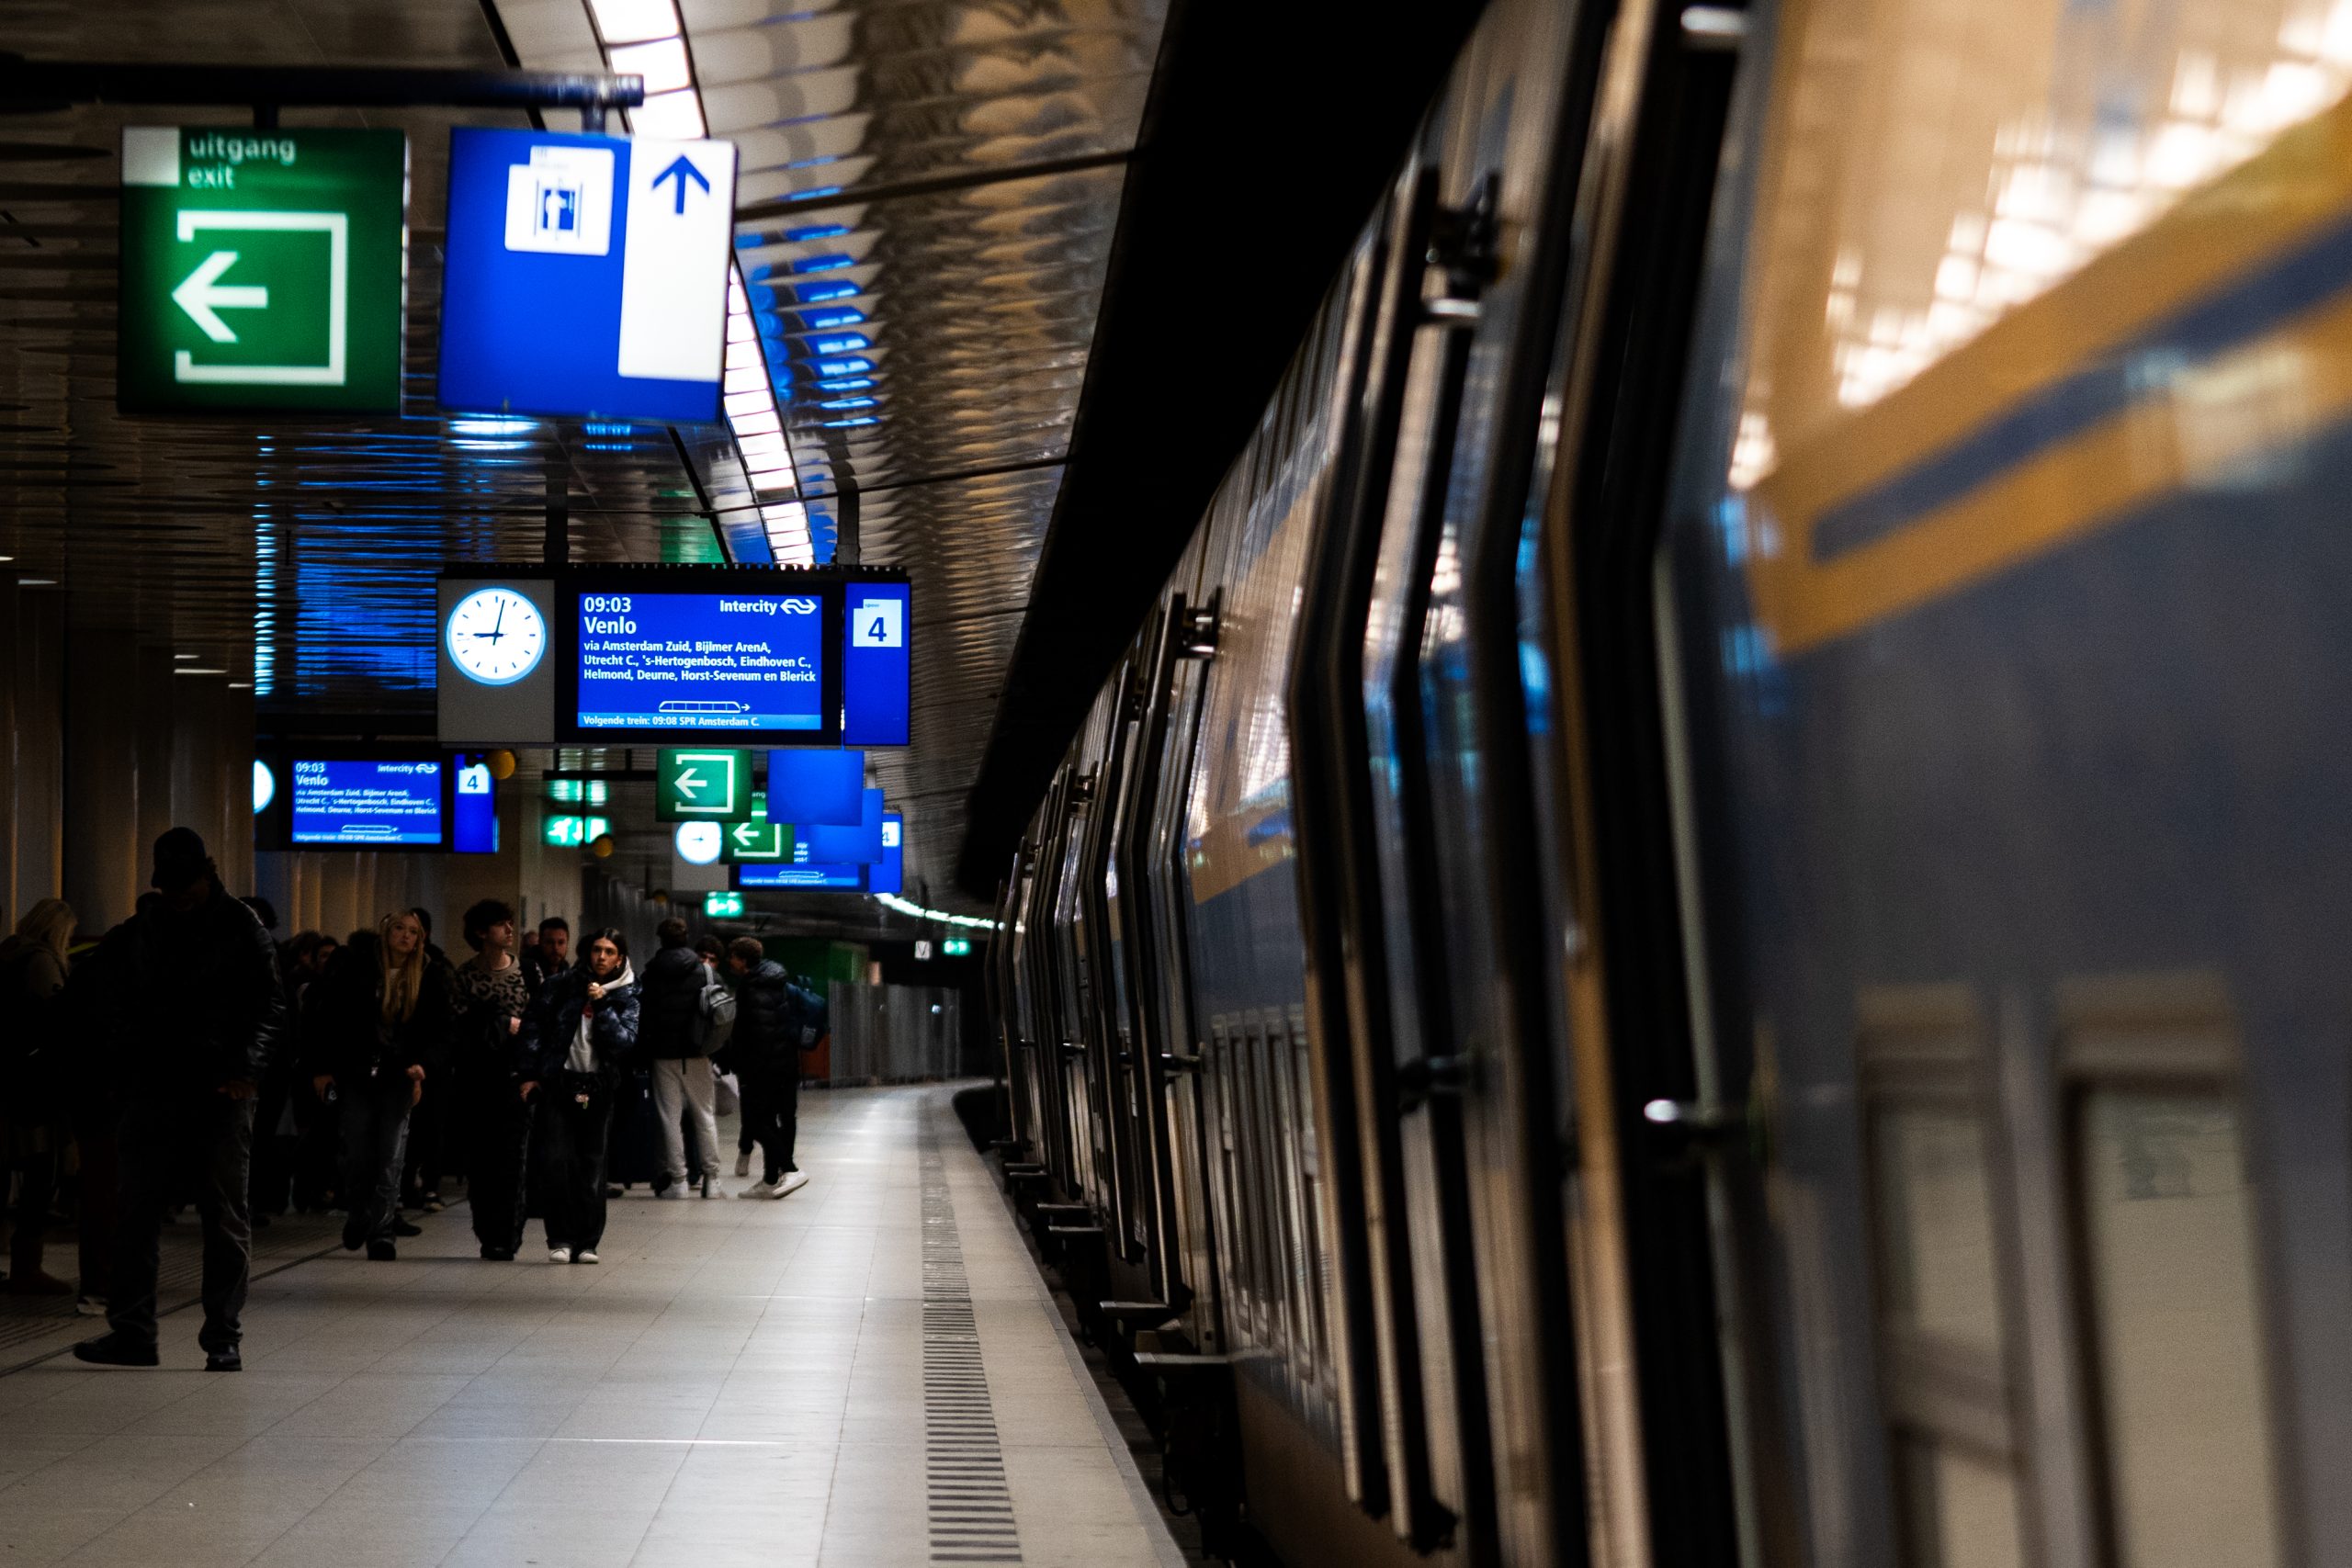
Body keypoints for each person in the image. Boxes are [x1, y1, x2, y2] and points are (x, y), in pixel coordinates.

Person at [74, 829, 283, 1372]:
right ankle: (136, 1332)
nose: (179, 897)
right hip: (156, 1084)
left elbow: (269, 1005)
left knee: (221, 1214)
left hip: (217, 1086)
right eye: (170, 888)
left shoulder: (240, 925)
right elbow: (103, 996)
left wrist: (247, 1069)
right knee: (137, 1211)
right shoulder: (146, 927)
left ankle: (220, 1335)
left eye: (185, 886)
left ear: (207, 875)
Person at [303, 911, 447, 1261]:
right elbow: (329, 1018)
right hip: (357, 1072)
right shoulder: (359, 970)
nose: (405, 936)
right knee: (356, 1152)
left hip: (400, 1075)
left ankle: (382, 1231)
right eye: (399, 929)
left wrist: (423, 1066)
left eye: (413, 932)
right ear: (385, 933)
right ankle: (359, 1214)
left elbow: (439, 1028)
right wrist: (321, 1069)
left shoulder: (428, 975)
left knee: (390, 1156)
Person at [518, 928, 639, 1264]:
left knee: (592, 1167)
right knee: (556, 1162)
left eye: (609, 952)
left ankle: (587, 1242)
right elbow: (533, 1027)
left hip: (599, 1088)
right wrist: (529, 1074)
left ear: (620, 959)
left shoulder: (628, 994)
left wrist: (602, 1004)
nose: (601, 957)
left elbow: (623, 1042)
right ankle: (560, 1238)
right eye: (597, 950)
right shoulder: (561, 986)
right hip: (559, 1084)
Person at [448, 898, 533, 1259]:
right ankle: (487, 1232)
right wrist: (499, 1024)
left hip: (516, 1078)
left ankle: (507, 1235)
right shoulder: (465, 976)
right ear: (482, 932)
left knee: (512, 1161)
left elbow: (540, 1024)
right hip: (478, 1080)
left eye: (510, 922)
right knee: (481, 1161)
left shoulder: (526, 974)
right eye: (501, 924)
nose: (510, 930)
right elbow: (458, 1029)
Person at [0, 898, 75, 1295]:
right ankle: (27, 1266)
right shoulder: (42, 962)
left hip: (8, 1080)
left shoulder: (8, 953)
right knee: (41, 1171)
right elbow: (55, 1020)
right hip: (34, 1085)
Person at [725, 938, 819, 1200]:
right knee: (774, 1120)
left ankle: (790, 1169)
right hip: (785, 1062)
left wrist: (744, 1065)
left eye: (733, 957)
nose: (730, 961)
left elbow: (757, 1031)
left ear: (743, 960)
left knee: (755, 1122)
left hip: (763, 1066)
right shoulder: (775, 981)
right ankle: (769, 1180)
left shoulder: (752, 987)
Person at [638, 919, 724, 1199]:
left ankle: (679, 1181)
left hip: (663, 1055)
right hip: (698, 1053)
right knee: (705, 1115)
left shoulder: (651, 973)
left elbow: (643, 1016)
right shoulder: (704, 972)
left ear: (660, 939)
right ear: (686, 938)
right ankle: (712, 1180)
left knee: (669, 1118)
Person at [402, 908, 458, 1213]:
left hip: (432, 1064)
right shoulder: (386, 970)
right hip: (402, 1060)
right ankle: (405, 1187)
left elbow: (447, 1022)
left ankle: (429, 1185)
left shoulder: (436, 969)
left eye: (412, 932)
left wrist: (429, 1061)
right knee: (407, 1129)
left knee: (431, 1127)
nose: (405, 937)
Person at [521, 916, 571, 997]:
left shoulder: (566, 971)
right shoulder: (527, 970)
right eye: (549, 942)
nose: (556, 948)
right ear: (540, 942)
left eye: (561, 942)